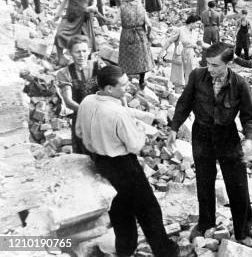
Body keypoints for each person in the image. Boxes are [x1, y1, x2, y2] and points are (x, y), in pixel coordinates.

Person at [76, 65, 179, 257]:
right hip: (123, 165)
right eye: (123, 84)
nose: (128, 86)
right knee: (149, 209)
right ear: (109, 89)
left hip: (100, 162)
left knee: (122, 207)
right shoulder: (118, 114)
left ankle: (125, 248)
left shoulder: (87, 101)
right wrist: (140, 130)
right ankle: (165, 251)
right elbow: (135, 146)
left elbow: (79, 132)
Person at [168, 43, 252, 246]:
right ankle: (205, 225)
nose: (209, 69)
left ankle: (243, 228)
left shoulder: (240, 84)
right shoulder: (196, 76)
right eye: (208, 64)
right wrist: (174, 127)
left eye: (215, 65)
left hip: (227, 136)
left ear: (228, 64)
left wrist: (248, 140)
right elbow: (184, 103)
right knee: (204, 182)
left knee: (237, 184)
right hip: (201, 135)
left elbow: (251, 118)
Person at [56, 36, 101, 154]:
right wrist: (86, 112)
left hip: (101, 114)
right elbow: (68, 100)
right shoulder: (65, 73)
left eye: (84, 51)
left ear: (90, 50)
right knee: (84, 152)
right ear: (70, 53)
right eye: (77, 52)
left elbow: (111, 89)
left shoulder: (99, 67)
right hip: (80, 116)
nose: (81, 55)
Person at [110, 0, 155, 90]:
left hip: (126, 34)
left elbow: (113, 22)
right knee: (141, 57)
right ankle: (141, 80)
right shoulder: (141, 7)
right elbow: (150, 24)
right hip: (140, 34)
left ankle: (124, 80)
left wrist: (99, 16)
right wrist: (147, 35)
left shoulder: (122, 8)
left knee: (126, 56)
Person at [54, 0, 97, 64]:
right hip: (71, 16)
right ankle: (60, 59)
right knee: (59, 35)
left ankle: (87, 62)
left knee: (85, 39)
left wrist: (92, 7)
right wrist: (57, 15)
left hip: (84, 16)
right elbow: (65, 1)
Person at [160, 15, 201, 88]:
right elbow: (169, 41)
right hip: (180, 54)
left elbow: (195, 44)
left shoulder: (195, 32)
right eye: (197, 23)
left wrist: (197, 48)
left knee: (190, 76)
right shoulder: (179, 30)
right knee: (178, 76)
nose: (198, 25)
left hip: (190, 54)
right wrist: (161, 52)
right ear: (192, 22)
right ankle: (177, 95)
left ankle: (187, 95)